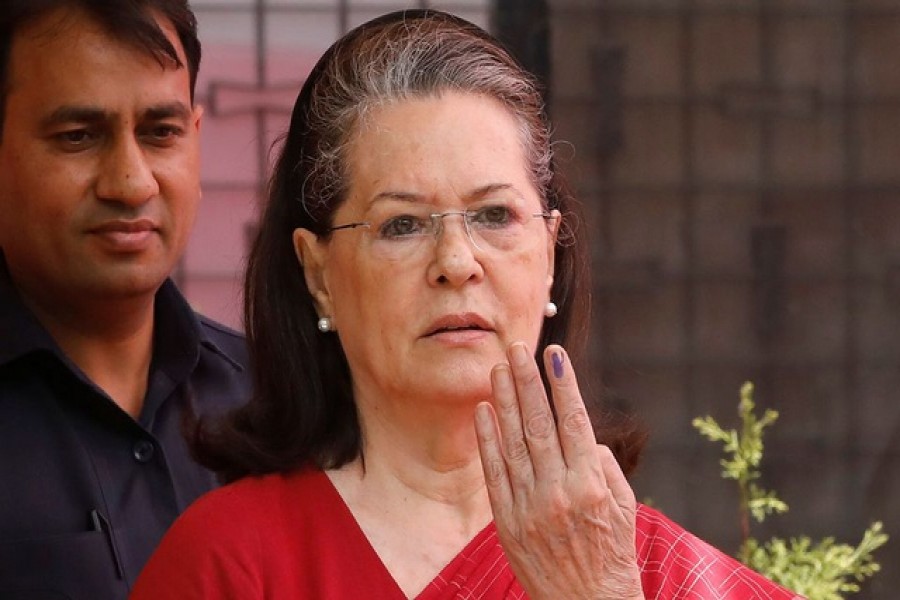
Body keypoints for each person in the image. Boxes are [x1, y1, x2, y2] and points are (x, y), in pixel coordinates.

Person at [131, 9, 802, 599]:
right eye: (402, 224)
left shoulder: (643, 565)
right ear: (318, 274)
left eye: (493, 215)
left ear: (550, 253)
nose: (456, 263)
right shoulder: (232, 563)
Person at [0, 1, 251, 598]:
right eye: (78, 137)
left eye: (160, 133)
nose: (132, 182)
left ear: (195, 138)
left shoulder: (271, 405)